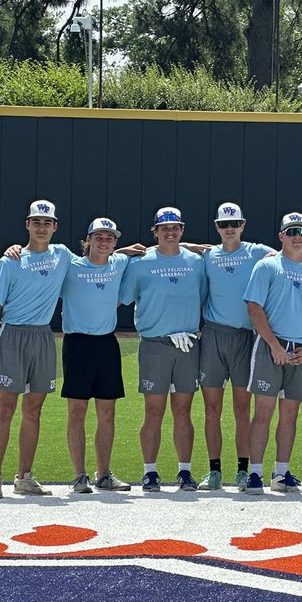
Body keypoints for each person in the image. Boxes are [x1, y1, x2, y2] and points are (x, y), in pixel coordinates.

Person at [0, 200, 71, 499]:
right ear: (28, 225)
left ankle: (25, 477)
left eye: (47, 222)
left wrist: (126, 252)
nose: (42, 227)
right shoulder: (10, 261)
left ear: (55, 226)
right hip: (13, 337)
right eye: (37, 222)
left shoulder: (63, 255)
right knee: (5, 409)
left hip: (43, 337)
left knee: (33, 410)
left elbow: (98, 256)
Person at [118, 206, 208, 492]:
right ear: (155, 231)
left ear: (182, 231)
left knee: (183, 410)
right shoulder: (140, 263)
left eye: (176, 227)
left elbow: (203, 297)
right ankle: (150, 472)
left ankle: (184, 472)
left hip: (187, 344)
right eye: (164, 227)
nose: (170, 231)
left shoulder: (197, 262)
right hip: (155, 344)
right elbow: (123, 296)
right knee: (153, 411)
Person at [242, 212, 302, 494]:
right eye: (291, 231)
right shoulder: (267, 266)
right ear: (281, 235)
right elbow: (254, 308)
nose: (297, 237)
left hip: (300, 351)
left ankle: (281, 473)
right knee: (263, 413)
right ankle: (255, 474)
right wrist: (274, 345)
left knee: (290, 414)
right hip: (272, 347)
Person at [197, 202, 275, 490]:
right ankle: (214, 471)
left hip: (244, 338)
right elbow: (191, 249)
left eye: (235, 224)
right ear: (217, 227)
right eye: (223, 224)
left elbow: (293, 255)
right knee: (211, 408)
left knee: (242, 409)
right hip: (214, 336)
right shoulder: (207, 256)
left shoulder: (256, 252)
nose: (229, 229)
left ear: (242, 225)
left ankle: (243, 470)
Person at [59, 217, 140, 493]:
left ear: (115, 243)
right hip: (77, 344)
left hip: (107, 344)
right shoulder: (70, 266)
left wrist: (126, 251)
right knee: (77, 411)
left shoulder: (119, 262)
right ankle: (79, 476)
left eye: (109, 238)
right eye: (99, 237)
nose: (104, 242)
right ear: (88, 240)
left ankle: (103, 474)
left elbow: (144, 250)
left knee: (107, 412)